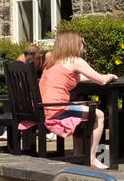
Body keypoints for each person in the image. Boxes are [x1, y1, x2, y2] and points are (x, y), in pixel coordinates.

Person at [38, 30, 117, 170]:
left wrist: (95, 77)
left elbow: (74, 77)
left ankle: (78, 153)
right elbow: (102, 80)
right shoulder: (75, 61)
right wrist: (110, 75)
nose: (84, 47)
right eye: (81, 43)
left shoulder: (52, 62)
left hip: (44, 108)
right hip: (58, 109)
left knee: (82, 110)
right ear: (73, 44)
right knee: (98, 115)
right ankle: (92, 158)